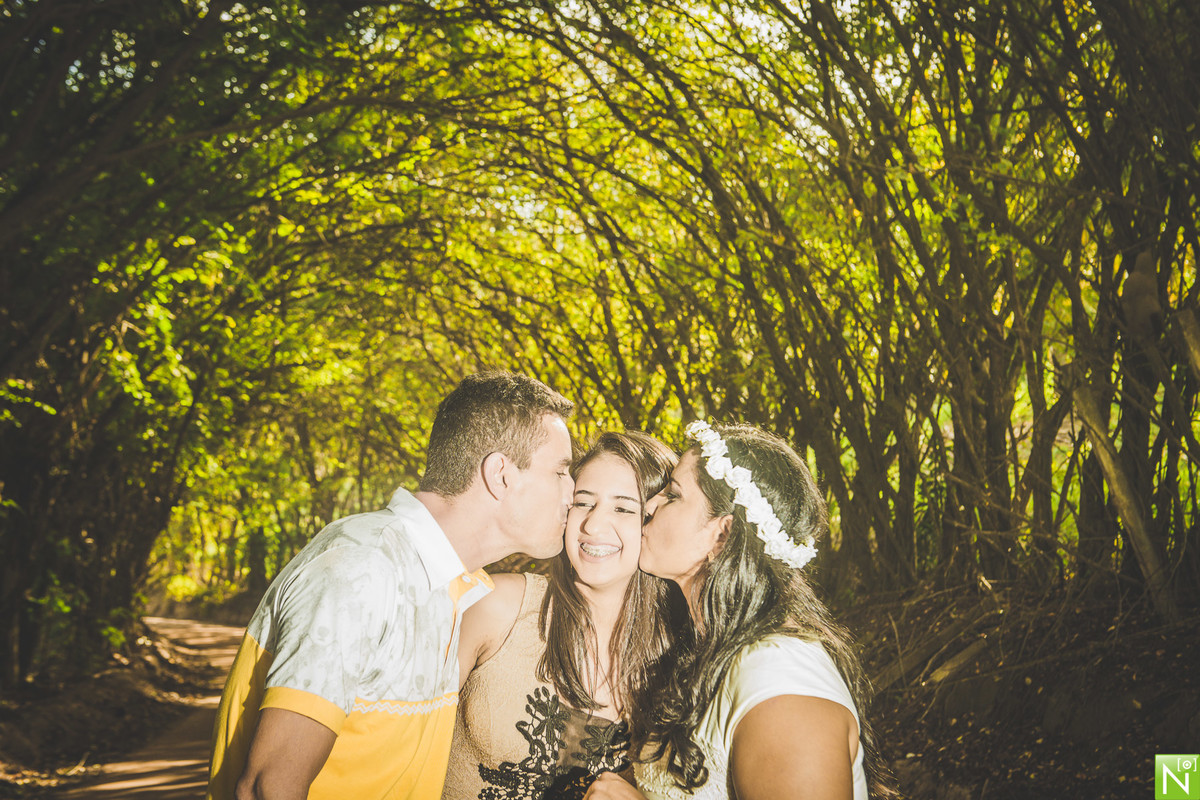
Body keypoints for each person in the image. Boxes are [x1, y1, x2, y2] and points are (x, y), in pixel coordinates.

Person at [207, 372, 575, 800]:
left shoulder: (451, 583)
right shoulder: (365, 569)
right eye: (561, 471)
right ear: (501, 475)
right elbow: (267, 787)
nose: (572, 491)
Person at [585, 422, 891, 800]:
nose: (649, 504)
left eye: (674, 495)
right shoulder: (710, 650)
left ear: (723, 535)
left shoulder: (781, 680)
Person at [443, 431, 680, 800]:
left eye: (623, 508)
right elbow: (396, 741)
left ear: (655, 522)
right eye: (583, 503)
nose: (593, 525)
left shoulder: (679, 659)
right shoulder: (497, 605)